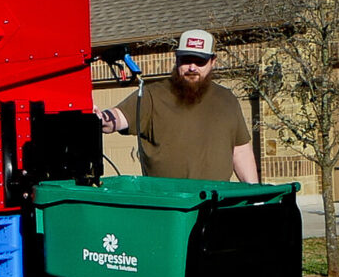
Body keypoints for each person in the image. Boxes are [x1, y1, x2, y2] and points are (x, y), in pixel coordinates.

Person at [97, 29, 259, 183]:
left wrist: (256, 198)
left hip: (216, 203)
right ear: (177, 59)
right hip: (168, 204)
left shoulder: (227, 99)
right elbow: (118, 117)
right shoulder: (152, 95)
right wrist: (101, 119)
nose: (192, 67)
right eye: (187, 59)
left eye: (199, 61)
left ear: (212, 62)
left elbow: (241, 151)